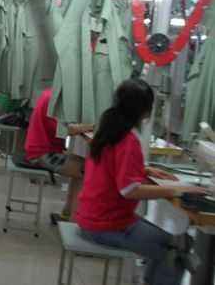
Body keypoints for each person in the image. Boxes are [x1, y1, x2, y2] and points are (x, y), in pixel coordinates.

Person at [77, 78, 211, 285]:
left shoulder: (108, 131)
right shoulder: (127, 141)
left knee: (173, 241)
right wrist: (177, 189)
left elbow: (112, 168)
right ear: (145, 112)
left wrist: (144, 170)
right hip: (106, 225)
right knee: (175, 252)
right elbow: (130, 191)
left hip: (91, 215)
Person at [24, 88, 92, 222]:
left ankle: (67, 213)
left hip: (40, 149)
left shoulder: (51, 93)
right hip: (41, 153)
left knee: (84, 166)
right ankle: (74, 221)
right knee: (88, 172)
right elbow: (65, 130)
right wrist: (91, 126)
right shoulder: (54, 101)